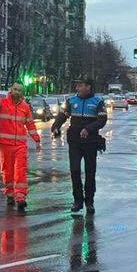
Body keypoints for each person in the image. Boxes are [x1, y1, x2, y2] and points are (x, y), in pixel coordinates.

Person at [52, 79, 108, 215]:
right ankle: (77, 201)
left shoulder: (98, 101)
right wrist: (56, 126)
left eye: (80, 85)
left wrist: (88, 129)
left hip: (91, 143)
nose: (77, 88)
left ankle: (89, 202)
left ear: (88, 87)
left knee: (90, 172)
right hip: (75, 142)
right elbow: (62, 115)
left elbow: (102, 120)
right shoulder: (71, 101)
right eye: (76, 85)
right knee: (75, 171)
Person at [0, 78, 41, 211]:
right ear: (11, 90)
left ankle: (20, 197)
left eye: (19, 90)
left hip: (20, 145)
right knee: (7, 171)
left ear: (22, 92)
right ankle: (10, 193)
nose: (17, 92)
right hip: (5, 145)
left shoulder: (25, 107)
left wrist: (36, 139)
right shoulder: (2, 103)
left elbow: (30, 124)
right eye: (15, 89)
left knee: (20, 170)